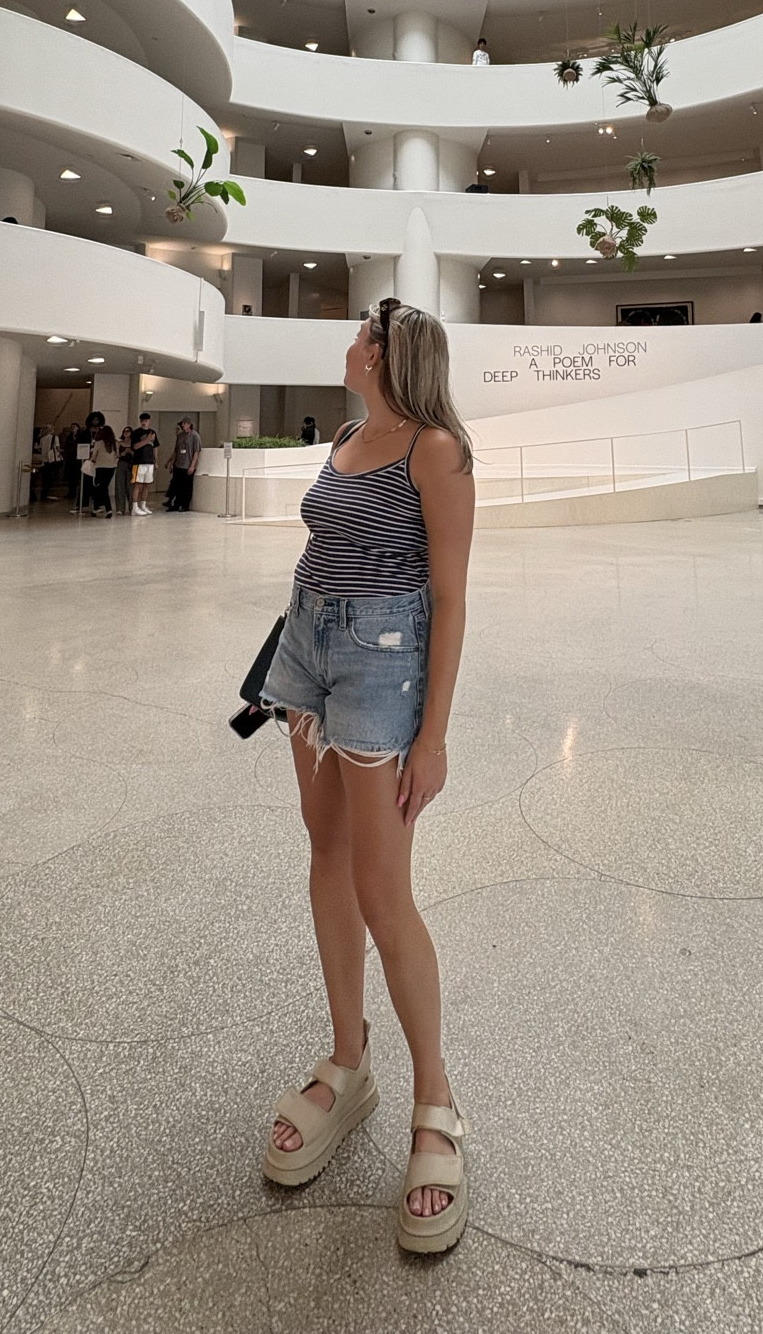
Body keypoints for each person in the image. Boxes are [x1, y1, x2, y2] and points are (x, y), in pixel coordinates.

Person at [259, 296, 476, 1254]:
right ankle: (349, 1060)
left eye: (364, 337)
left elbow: (453, 596)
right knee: (326, 854)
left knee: (386, 893)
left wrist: (433, 735)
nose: (350, 346)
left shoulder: (436, 449)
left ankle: (436, 1100)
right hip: (310, 647)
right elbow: (324, 544)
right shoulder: (350, 431)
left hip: (384, 663)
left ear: (392, 353)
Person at [166, 417, 201, 510]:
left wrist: (192, 466)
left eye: (185, 423)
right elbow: (176, 450)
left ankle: (185, 505)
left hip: (188, 465)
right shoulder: (180, 435)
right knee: (177, 485)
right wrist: (172, 463)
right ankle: (176, 504)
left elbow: (196, 452)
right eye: (182, 424)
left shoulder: (195, 436)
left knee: (187, 486)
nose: (183, 425)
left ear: (189, 424)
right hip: (178, 464)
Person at [130, 413, 159, 515]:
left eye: (146, 421)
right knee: (138, 484)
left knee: (147, 484)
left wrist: (156, 461)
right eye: (142, 421)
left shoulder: (153, 432)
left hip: (149, 462)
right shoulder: (136, 433)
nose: (144, 423)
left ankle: (143, 505)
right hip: (139, 462)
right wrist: (146, 440)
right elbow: (135, 447)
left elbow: (155, 447)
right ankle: (134, 506)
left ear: (149, 421)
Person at [87, 423, 118, 516]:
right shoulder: (115, 443)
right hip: (112, 467)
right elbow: (117, 455)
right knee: (103, 487)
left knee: (100, 488)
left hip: (100, 467)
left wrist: (91, 461)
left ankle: (108, 509)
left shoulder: (98, 443)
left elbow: (94, 456)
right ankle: (96, 508)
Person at [114, 426, 134, 516]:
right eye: (125, 431)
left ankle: (132, 507)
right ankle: (120, 508)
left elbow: (137, 455)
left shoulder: (134, 443)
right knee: (119, 485)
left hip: (131, 464)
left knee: (131, 487)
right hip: (121, 463)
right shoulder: (119, 443)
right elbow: (117, 455)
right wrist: (123, 453)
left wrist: (131, 452)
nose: (126, 433)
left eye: (128, 431)